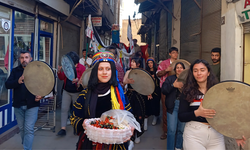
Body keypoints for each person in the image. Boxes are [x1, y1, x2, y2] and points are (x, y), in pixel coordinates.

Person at [178, 59, 246, 150]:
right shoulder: (187, 92)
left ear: (208, 73)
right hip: (194, 134)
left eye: (202, 70)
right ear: (192, 74)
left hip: (216, 134)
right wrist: (197, 113)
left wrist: (235, 134)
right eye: (195, 71)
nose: (199, 73)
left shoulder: (218, 92)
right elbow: (181, 116)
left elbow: (225, 115)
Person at [70, 51, 132, 150]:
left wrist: (129, 128)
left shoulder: (120, 94)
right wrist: (83, 123)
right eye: (100, 69)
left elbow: (129, 117)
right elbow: (74, 117)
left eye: (108, 69)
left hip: (115, 144)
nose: (104, 72)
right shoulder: (85, 94)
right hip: (91, 144)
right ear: (95, 72)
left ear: (112, 71)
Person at [5, 50, 43, 150]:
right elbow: (7, 85)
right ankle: (26, 143)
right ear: (19, 59)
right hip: (18, 105)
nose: (24, 60)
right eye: (22, 58)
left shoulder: (36, 71)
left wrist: (42, 95)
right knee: (22, 129)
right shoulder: (15, 71)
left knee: (28, 129)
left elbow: (45, 86)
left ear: (30, 59)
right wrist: (18, 81)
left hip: (32, 105)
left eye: (26, 57)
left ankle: (27, 148)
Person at [57, 51, 85, 136]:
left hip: (77, 92)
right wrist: (59, 71)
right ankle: (63, 128)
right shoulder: (67, 67)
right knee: (64, 109)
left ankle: (76, 128)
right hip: (67, 90)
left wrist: (78, 80)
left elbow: (84, 79)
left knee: (76, 110)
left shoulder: (82, 67)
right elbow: (62, 77)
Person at [162, 62, 186, 150]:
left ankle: (178, 147)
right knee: (171, 130)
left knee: (181, 130)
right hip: (173, 106)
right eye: (177, 67)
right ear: (175, 69)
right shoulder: (170, 79)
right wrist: (173, 85)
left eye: (181, 67)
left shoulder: (188, 80)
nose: (179, 69)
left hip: (184, 107)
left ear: (184, 69)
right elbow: (164, 90)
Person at [156, 47, 179, 140]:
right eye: (173, 53)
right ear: (170, 54)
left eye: (176, 53)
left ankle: (176, 131)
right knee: (166, 110)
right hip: (166, 89)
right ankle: (166, 131)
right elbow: (158, 74)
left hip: (178, 90)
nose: (175, 55)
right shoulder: (164, 63)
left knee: (178, 110)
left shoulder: (180, 63)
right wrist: (166, 70)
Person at [123, 57, 146, 146]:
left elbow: (145, 84)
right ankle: (131, 136)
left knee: (139, 115)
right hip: (130, 95)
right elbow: (124, 82)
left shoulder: (142, 73)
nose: (132, 63)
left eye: (134, 62)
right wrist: (127, 81)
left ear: (138, 64)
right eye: (131, 61)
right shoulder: (128, 71)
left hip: (139, 95)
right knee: (130, 115)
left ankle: (138, 134)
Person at [144, 57, 161, 130]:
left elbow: (160, 80)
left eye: (151, 63)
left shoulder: (157, 71)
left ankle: (156, 116)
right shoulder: (146, 71)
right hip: (148, 90)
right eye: (148, 63)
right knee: (148, 104)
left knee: (156, 103)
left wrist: (155, 78)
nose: (150, 65)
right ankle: (147, 117)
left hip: (156, 91)